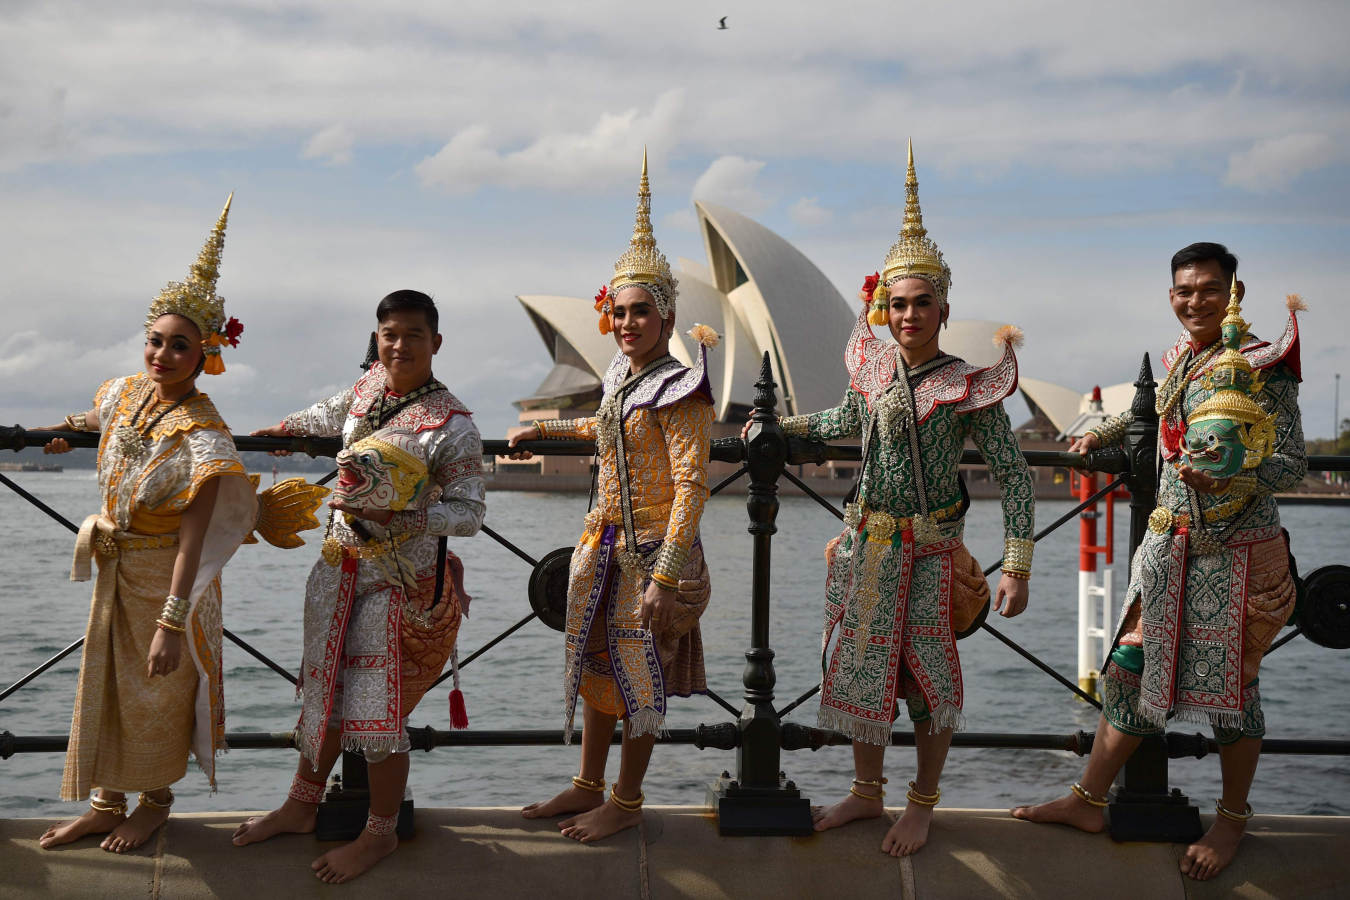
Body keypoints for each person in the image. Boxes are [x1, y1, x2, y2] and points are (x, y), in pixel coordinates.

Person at [1013, 242, 1306, 883]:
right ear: (1170, 295)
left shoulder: (1264, 365)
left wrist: (1235, 472)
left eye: (1207, 288)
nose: (1194, 300)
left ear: (1234, 290)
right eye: (1183, 290)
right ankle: (1089, 799)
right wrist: (1101, 434)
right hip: (1171, 546)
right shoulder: (1179, 356)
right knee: (1126, 669)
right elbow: (1153, 414)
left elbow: (1293, 462)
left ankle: (1231, 819)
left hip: (1238, 553)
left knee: (1235, 692)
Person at [774, 143, 1034, 857]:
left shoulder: (969, 384)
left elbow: (1012, 473)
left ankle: (920, 801)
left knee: (928, 681)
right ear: (883, 310)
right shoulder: (874, 372)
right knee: (860, 669)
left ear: (944, 308)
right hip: (867, 541)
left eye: (922, 303)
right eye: (897, 304)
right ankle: (866, 793)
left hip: (930, 549)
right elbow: (838, 425)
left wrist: (1017, 562)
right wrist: (775, 427)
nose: (909, 314)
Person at [231, 289, 485, 884]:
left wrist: (409, 518)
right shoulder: (370, 386)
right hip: (338, 565)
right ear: (378, 338)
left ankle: (380, 832)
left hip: (397, 580)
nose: (398, 346)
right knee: (325, 691)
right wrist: (287, 429)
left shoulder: (453, 423)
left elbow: (471, 514)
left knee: (376, 711)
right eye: (388, 334)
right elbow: (332, 411)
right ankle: (301, 804)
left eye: (412, 336)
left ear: (436, 343)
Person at [35, 196, 260, 853]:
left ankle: (155, 801)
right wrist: (62, 433)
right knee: (104, 683)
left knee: (159, 692)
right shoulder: (122, 393)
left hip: (167, 571)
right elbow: (93, 417)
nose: (162, 355)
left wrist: (172, 620)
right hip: (114, 565)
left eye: (180, 346)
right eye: (156, 341)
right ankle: (106, 801)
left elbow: (196, 533)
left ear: (205, 354)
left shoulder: (204, 433)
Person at [512, 152, 718, 843]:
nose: (628, 323)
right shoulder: (619, 378)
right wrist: (541, 428)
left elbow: (693, 484)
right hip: (603, 545)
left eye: (641, 313)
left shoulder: (681, 387)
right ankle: (585, 785)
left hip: (655, 551)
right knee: (598, 663)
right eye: (620, 312)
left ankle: (625, 803)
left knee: (639, 678)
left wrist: (666, 573)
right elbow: (599, 429)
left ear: (665, 316)